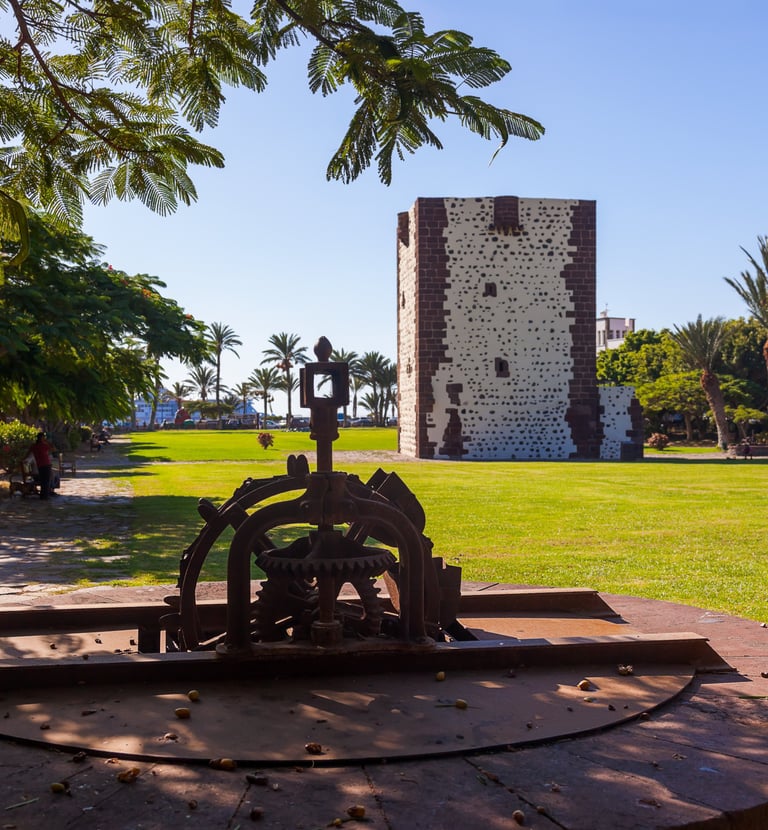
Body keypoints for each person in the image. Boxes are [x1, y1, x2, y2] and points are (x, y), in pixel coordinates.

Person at [28, 432, 55, 499]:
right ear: (42, 438)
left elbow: (28, 453)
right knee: (46, 480)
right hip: (46, 464)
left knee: (43, 480)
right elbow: (53, 449)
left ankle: (43, 495)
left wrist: (22, 459)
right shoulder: (44, 445)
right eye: (44, 437)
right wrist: (48, 442)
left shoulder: (34, 446)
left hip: (40, 465)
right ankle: (45, 495)